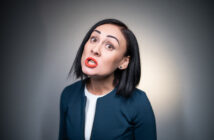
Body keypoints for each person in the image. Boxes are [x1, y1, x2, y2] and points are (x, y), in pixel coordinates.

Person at [58, 18, 156, 140]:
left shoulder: (138, 102)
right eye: (94, 39)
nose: (95, 50)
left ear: (124, 62)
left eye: (109, 46)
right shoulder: (68, 94)